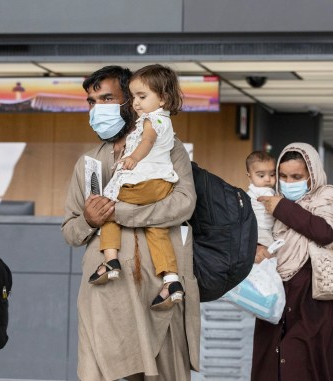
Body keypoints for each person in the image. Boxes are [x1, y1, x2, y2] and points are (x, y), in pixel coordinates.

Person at [61, 65, 200, 381]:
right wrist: (88, 219)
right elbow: (70, 230)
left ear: (131, 100)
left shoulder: (168, 147)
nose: (98, 109)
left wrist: (118, 212)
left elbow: (183, 204)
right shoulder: (89, 163)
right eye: (92, 102)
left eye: (107, 98)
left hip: (158, 293)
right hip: (105, 297)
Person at [251, 142, 333, 381]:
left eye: (297, 176)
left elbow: (326, 232)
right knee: (271, 365)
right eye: (283, 176)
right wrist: (257, 247)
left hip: (313, 298)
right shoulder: (271, 202)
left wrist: (282, 208)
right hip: (276, 296)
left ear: (311, 175)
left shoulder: (325, 197)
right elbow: (259, 234)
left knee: (304, 365)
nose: (288, 182)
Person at [90, 64, 184, 310]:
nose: (136, 104)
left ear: (163, 97)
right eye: (134, 97)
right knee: (157, 230)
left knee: (108, 208)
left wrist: (133, 159)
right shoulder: (165, 121)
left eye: (142, 97)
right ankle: (171, 279)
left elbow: (147, 141)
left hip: (144, 182)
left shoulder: (150, 123)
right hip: (162, 185)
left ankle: (111, 260)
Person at [245, 150, 277, 248]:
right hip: (262, 230)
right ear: (249, 177)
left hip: (253, 228)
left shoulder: (251, 191)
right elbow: (278, 206)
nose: (267, 179)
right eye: (261, 175)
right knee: (271, 252)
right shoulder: (264, 191)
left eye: (272, 174)